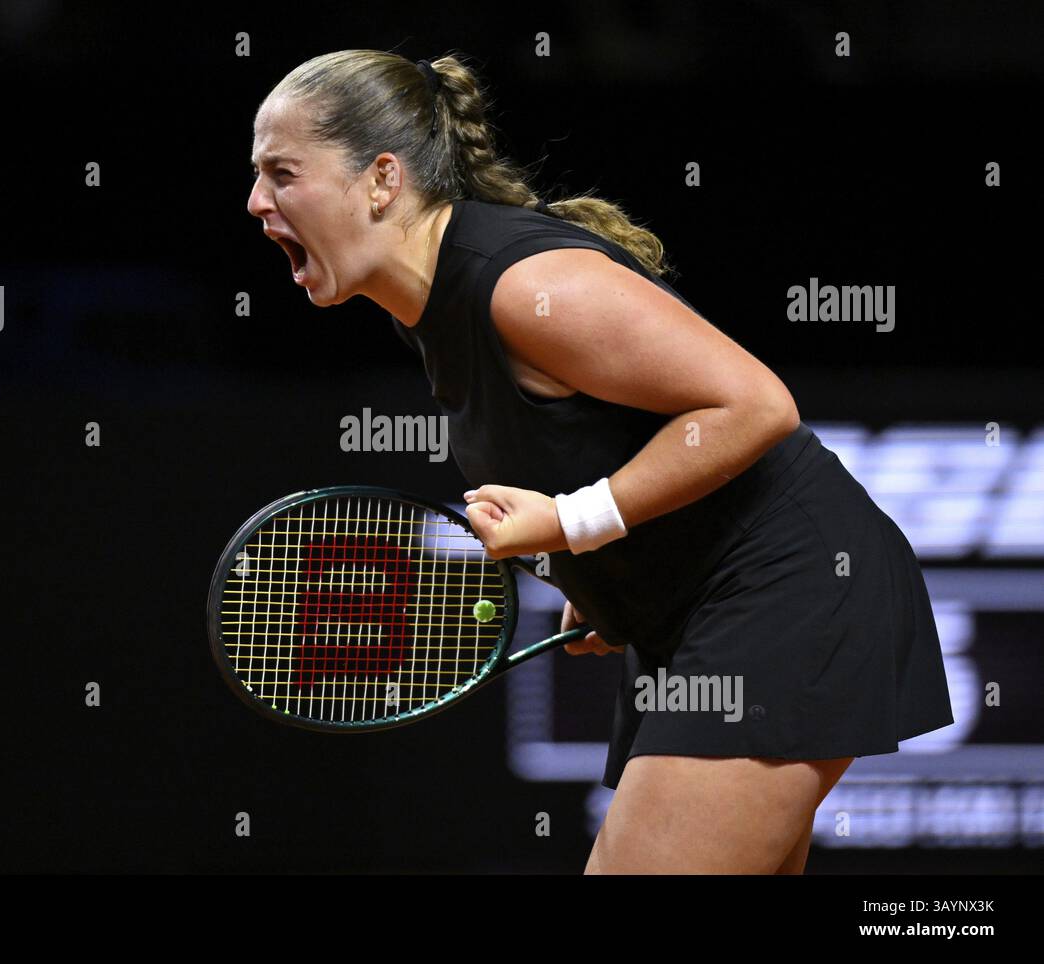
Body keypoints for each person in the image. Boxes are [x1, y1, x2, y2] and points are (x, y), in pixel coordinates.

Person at [246, 49, 955, 874]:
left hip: (786, 592)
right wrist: (610, 572)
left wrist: (578, 523)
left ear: (382, 179)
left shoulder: (521, 286)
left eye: (282, 173)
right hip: (701, 616)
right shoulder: (431, 310)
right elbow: (603, 437)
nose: (256, 202)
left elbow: (755, 406)